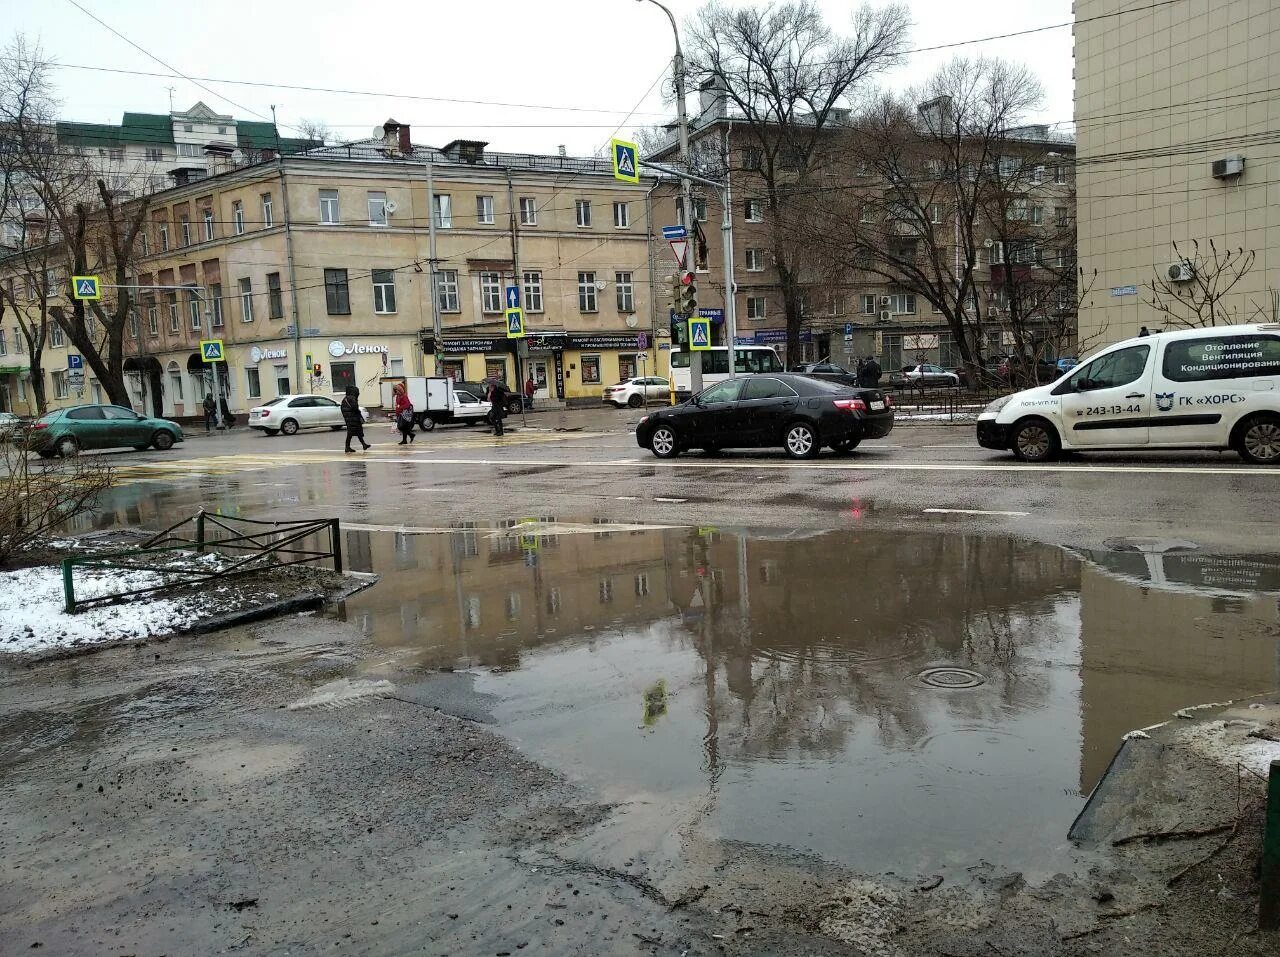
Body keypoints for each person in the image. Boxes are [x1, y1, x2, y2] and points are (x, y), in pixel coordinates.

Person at [341, 385, 370, 453]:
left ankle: (363, 444)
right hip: (353, 418)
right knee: (352, 432)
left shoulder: (345, 399)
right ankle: (347, 447)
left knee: (355, 432)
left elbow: (343, 409)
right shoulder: (352, 398)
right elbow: (355, 408)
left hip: (349, 418)